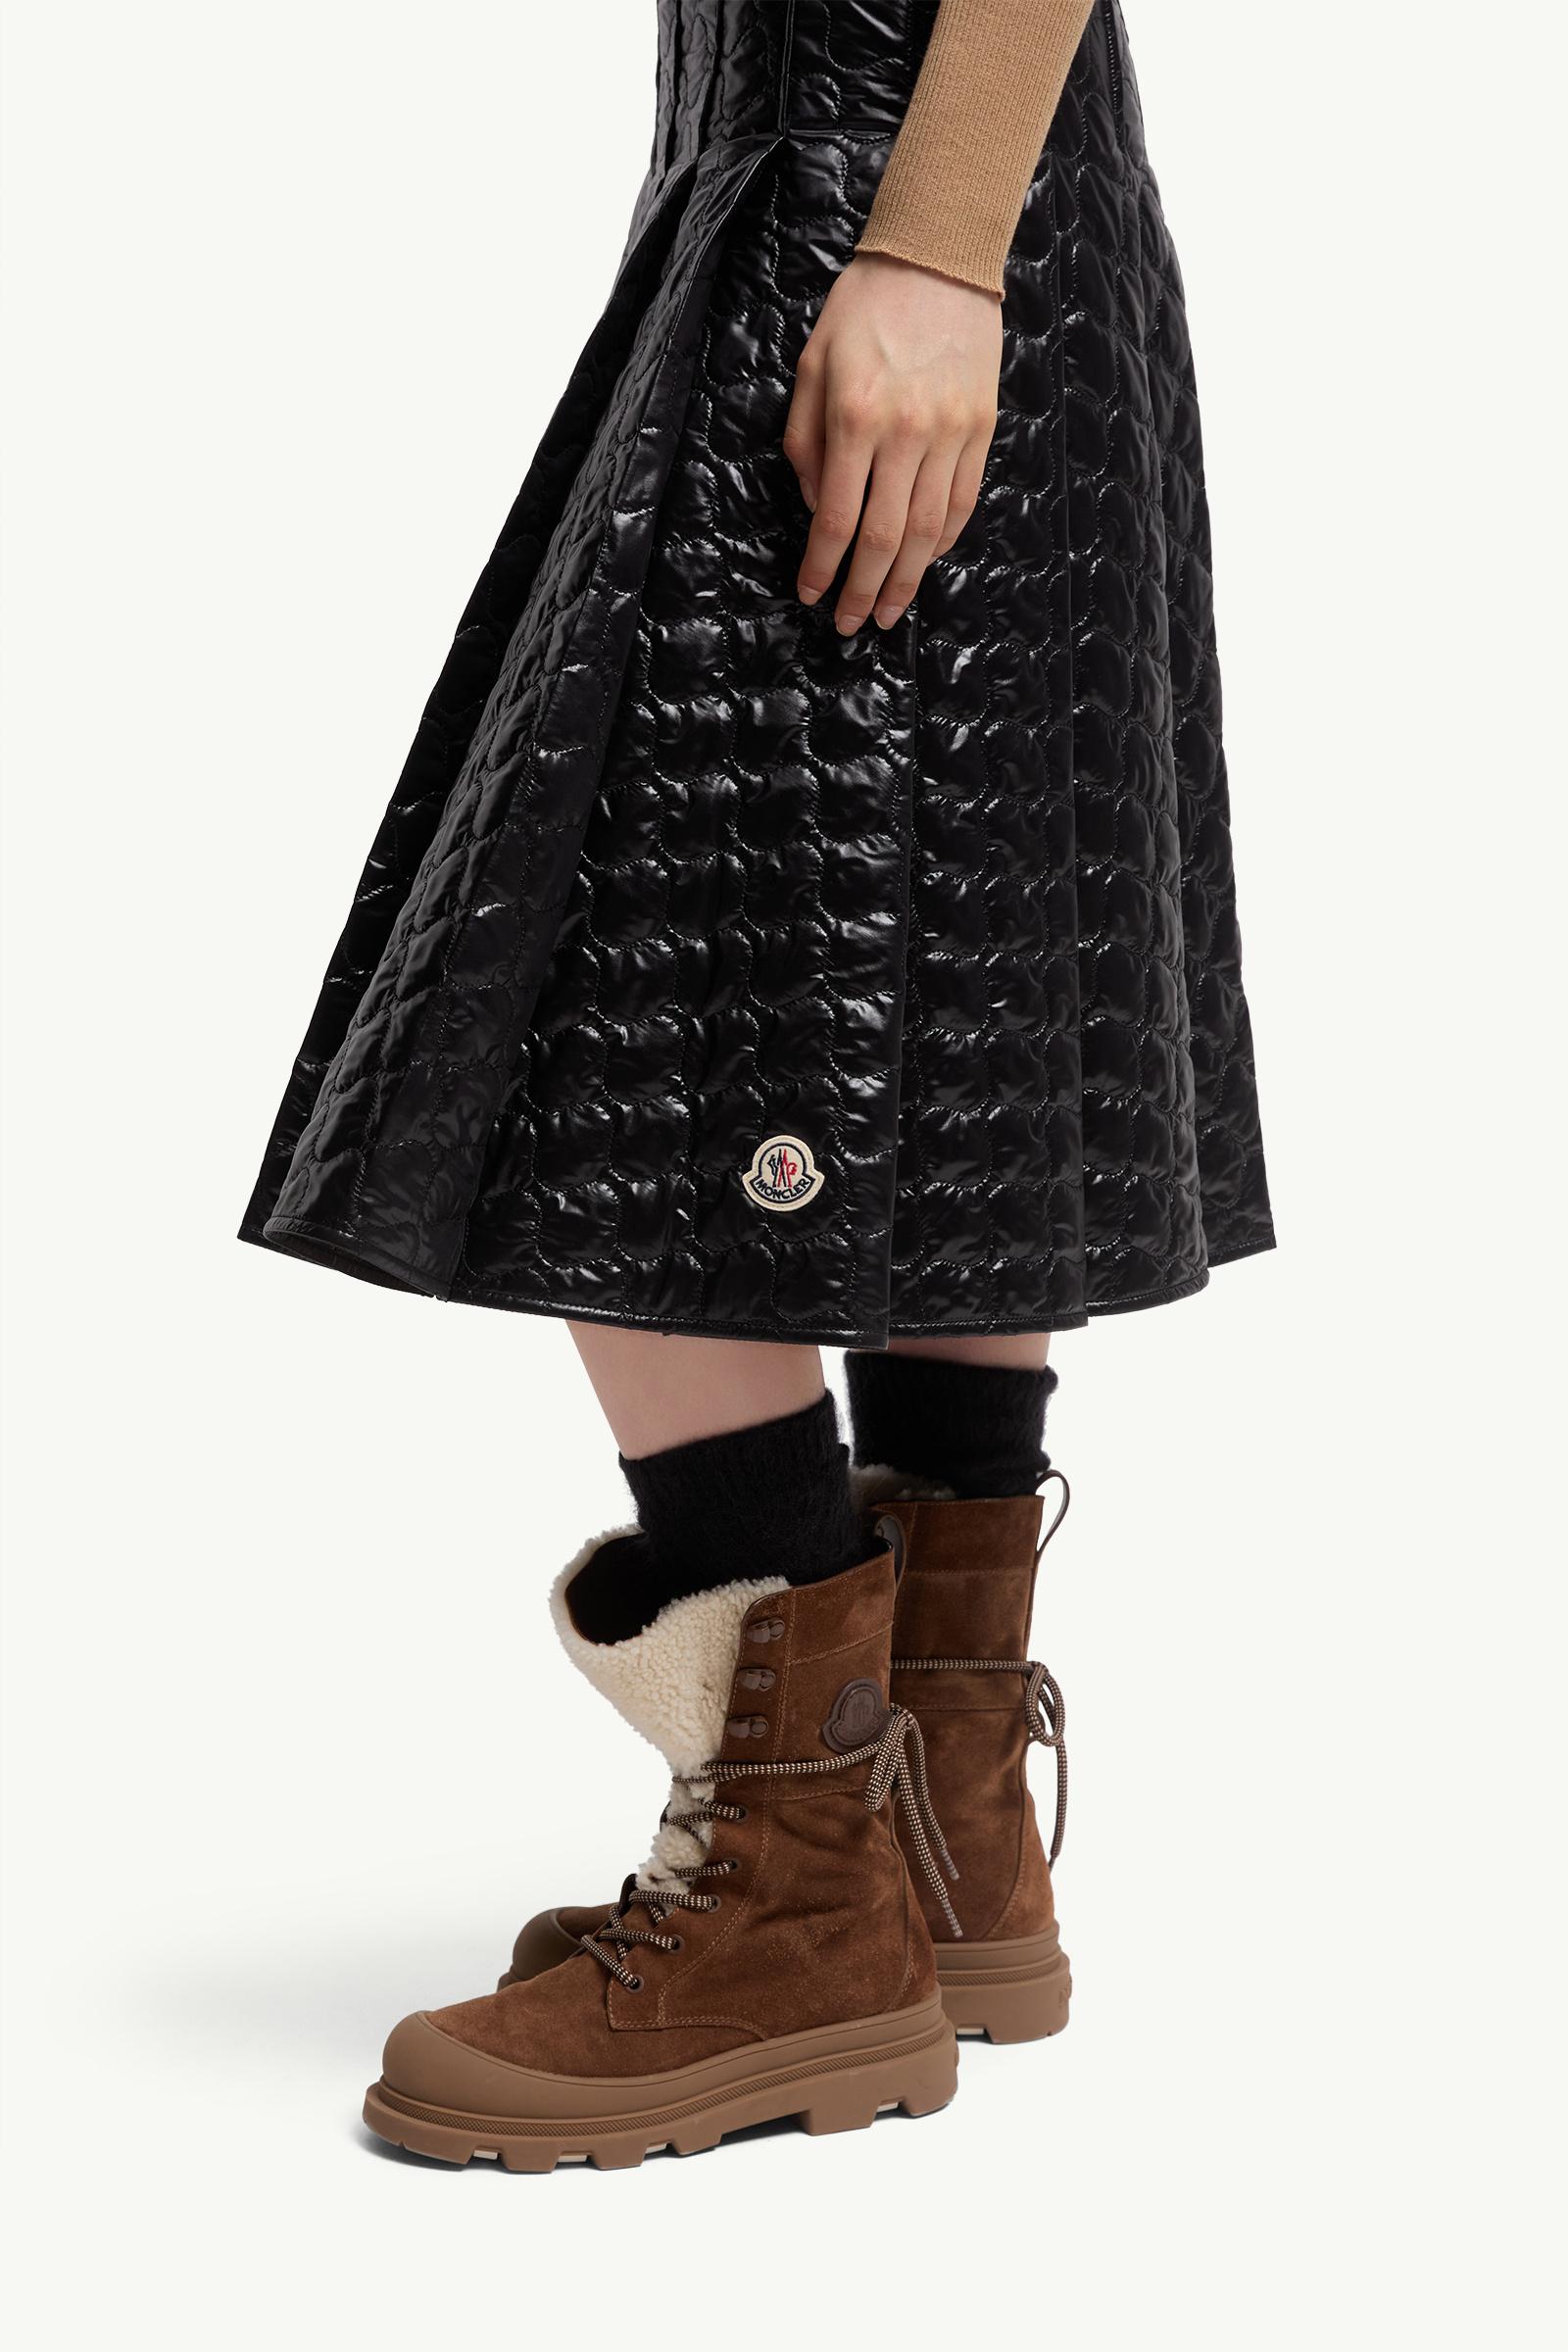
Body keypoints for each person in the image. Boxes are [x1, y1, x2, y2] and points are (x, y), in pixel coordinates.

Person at [242, 0, 1273, 2170]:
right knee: (945, 997)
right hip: (871, 201)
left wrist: (934, 244)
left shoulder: (914, 241)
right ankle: (940, 1832)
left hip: (887, 216)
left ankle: (800, 1892)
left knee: (603, 1012)